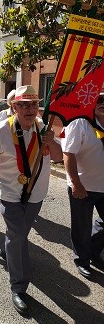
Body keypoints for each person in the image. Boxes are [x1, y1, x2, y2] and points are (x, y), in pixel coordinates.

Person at [0, 85, 62, 314]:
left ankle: (9, 249)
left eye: (33, 104)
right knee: (18, 236)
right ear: (13, 107)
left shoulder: (42, 127)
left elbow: (57, 158)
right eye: (23, 104)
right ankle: (18, 287)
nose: (29, 109)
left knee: (18, 234)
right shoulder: (1, 130)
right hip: (9, 193)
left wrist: (51, 142)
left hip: (36, 194)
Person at [61, 91, 104, 279]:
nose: (103, 103)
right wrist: (76, 184)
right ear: (92, 102)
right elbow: (68, 154)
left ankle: (93, 251)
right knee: (81, 226)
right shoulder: (80, 122)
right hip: (83, 186)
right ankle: (82, 259)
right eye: (99, 99)